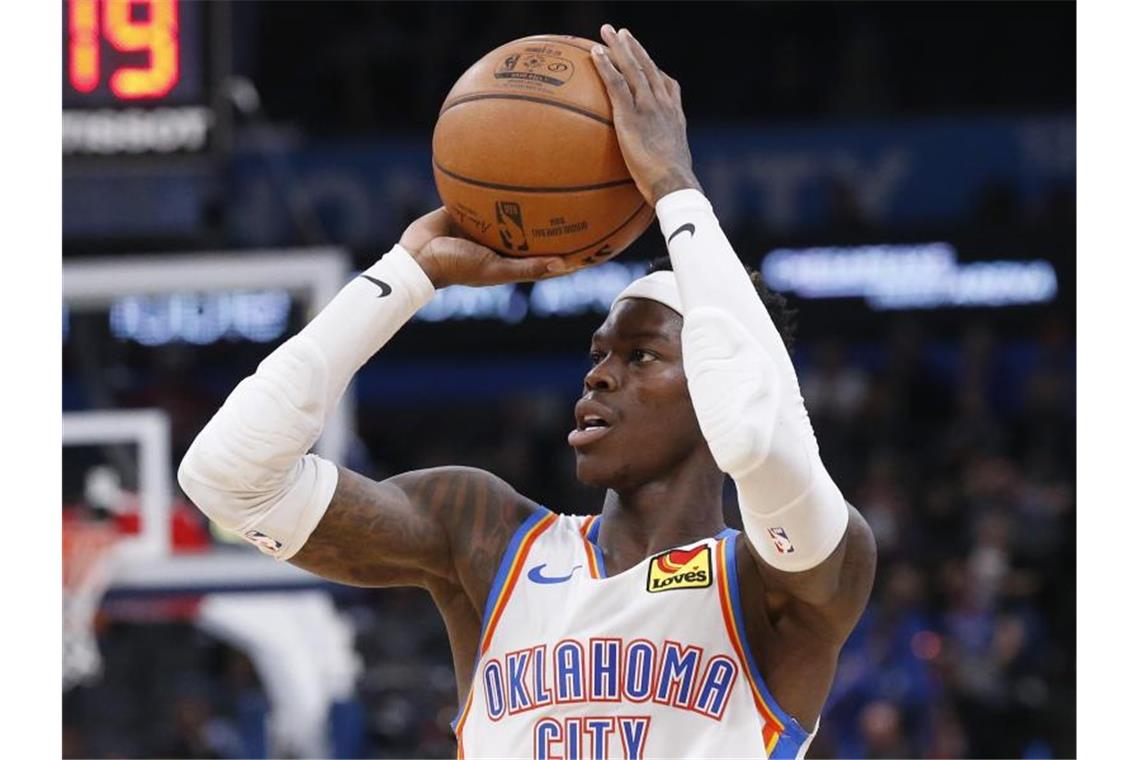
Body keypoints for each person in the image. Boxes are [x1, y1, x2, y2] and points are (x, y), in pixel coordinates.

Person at [179, 25, 876, 759]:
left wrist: (675, 188)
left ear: (713, 378)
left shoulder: (780, 580)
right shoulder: (486, 535)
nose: (599, 375)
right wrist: (407, 275)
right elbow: (227, 478)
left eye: (641, 356)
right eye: (598, 354)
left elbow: (756, 439)